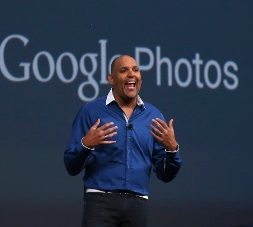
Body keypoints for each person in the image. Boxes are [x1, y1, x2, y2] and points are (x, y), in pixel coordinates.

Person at [64, 55, 182, 227]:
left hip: (137, 204)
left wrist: (172, 150)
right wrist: (86, 145)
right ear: (111, 78)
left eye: (135, 69)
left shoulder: (154, 116)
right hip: (100, 202)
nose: (131, 74)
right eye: (123, 70)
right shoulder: (91, 112)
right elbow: (71, 166)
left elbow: (165, 175)